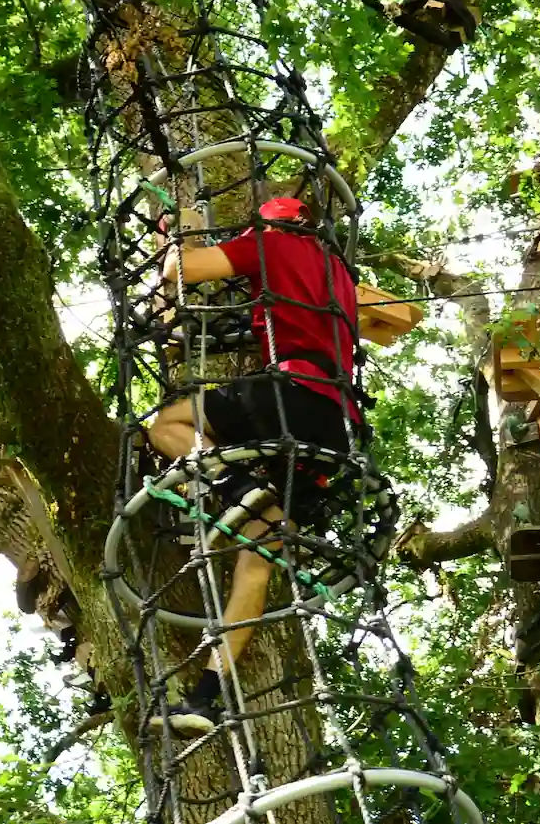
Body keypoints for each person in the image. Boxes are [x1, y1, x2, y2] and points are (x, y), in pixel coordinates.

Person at [146, 196, 360, 738]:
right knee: (257, 559)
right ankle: (207, 698)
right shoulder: (340, 273)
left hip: (291, 396)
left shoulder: (272, 241)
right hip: (334, 422)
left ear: (272, 222)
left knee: (167, 426)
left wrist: (174, 238)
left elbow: (181, 271)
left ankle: (236, 486)